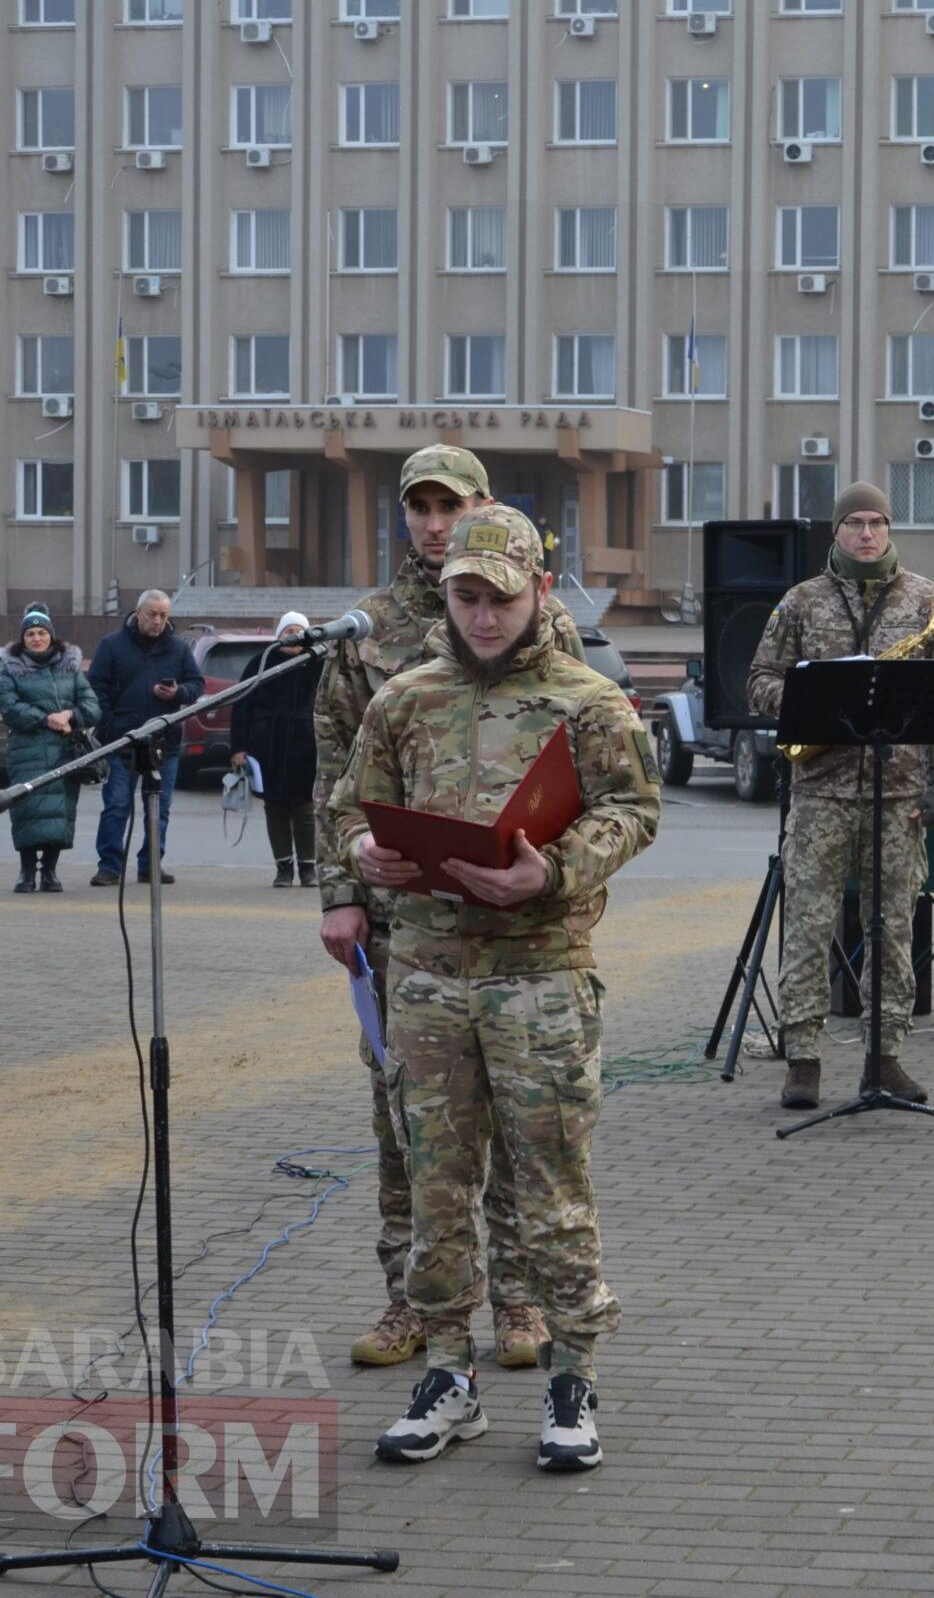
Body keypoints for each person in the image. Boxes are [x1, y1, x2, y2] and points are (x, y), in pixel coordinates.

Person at [324, 504, 660, 1471]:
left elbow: (635, 811)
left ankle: (573, 1378)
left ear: (538, 592)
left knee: (549, 1183)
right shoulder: (405, 697)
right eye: (465, 597)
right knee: (435, 1184)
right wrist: (360, 856)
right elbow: (349, 802)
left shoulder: (588, 700)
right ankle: (446, 1374)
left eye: (499, 599)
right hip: (425, 976)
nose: (480, 617)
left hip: (538, 977)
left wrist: (550, 873)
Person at [315, 443, 587, 1374]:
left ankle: (518, 1298)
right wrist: (342, 889)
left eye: (453, 504)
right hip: (404, 927)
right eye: (419, 506)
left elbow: (588, 774)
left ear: (485, 507)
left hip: (516, 924)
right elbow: (334, 774)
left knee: (519, 1120)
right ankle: (411, 1301)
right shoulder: (369, 630)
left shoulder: (545, 626)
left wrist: (550, 872)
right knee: (412, 1124)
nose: (435, 523)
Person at [745, 481, 934, 1110]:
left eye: (876, 522)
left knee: (893, 929)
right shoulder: (800, 602)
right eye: (854, 523)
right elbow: (757, 680)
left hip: (898, 796)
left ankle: (884, 1056)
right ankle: (805, 1060)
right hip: (820, 792)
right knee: (808, 928)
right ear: (837, 531)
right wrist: (807, 699)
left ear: (890, 529)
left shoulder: (931, 602)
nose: (866, 534)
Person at [87, 589, 204, 887]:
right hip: (122, 741)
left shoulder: (178, 649)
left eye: (163, 615)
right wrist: (110, 725)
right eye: (152, 614)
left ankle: (150, 865)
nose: (157, 621)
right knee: (116, 806)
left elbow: (197, 684)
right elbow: (95, 688)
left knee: (159, 808)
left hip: (164, 743)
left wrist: (178, 693)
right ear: (137, 613)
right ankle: (109, 867)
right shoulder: (112, 645)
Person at [0, 606, 100, 893]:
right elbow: (9, 707)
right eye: (30, 633)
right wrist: (45, 719)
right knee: (27, 810)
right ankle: (27, 871)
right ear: (22, 639)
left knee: (60, 812)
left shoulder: (70, 669)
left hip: (63, 752)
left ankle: (50, 872)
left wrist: (71, 716)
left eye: (42, 633)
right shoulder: (12, 671)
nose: (37, 638)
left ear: (52, 637)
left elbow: (92, 706)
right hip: (26, 751)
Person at [232, 611, 322, 888]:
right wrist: (239, 748)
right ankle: (283, 867)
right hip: (267, 743)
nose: (292, 635)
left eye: (298, 630)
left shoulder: (318, 662)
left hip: (305, 744)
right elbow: (242, 706)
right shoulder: (261, 662)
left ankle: (308, 867)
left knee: (304, 807)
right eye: (288, 630)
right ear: (279, 633)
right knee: (275, 807)